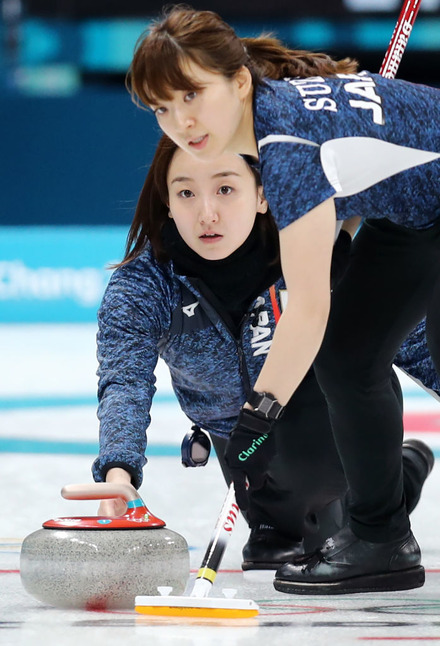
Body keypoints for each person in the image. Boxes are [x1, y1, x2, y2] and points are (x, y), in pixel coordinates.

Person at [125, 6, 440, 593]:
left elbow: (309, 308)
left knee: (349, 349)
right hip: (415, 214)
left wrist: (258, 417)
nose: (180, 122)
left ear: (239, 82)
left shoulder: (285, 145)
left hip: (429, 206)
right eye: (162, 107)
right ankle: (381, 538)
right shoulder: (277, 121)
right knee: (348, 357)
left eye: (191, 95)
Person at [93, 134, 435, 574]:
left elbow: (411, 340)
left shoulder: (312, 258)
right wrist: (118, 473)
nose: (207, 213)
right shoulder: (144, 286)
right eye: (185, 193)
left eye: (225, 189)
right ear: (167, 200)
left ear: (262, 194)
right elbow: (125, 382)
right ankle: (396, 478)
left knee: (312, 459)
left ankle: (373, 489)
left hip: (327, 415)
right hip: (238, 444)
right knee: (291, 535)